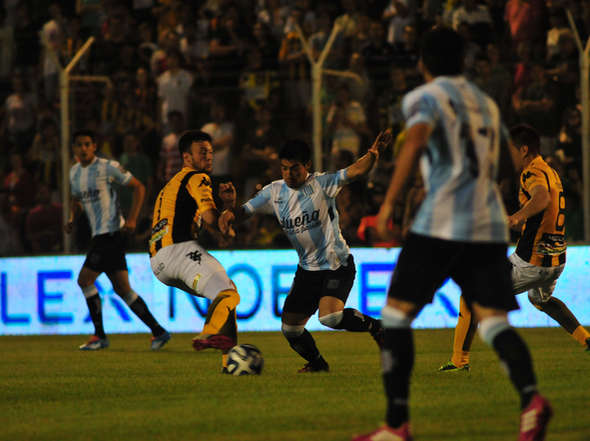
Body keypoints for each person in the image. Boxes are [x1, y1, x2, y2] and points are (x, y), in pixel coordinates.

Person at [353, 28, 551, 441]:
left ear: (423, 62)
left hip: (442, 220)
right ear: (463, 61)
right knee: (493, 321)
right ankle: (531, 400)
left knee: (395, 317)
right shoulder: (486, 103)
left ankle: (396, 425)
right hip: (488, 223)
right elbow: (503, 164)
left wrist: (388, 205)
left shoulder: (425, 96)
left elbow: (416, 140)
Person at [219, 132, 392, 373]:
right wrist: (228, 210)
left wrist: (373, 153)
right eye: (284, 168)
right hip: (307, 270)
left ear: (307, 166)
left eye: (295, 168)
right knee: (290, 329)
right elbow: (244, 212)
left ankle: (378, 327)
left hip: (337, 264)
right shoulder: (274, 192)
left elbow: (355, 171)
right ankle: (317, 364)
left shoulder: (322, 184)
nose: (289, 174)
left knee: (329, 317)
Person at [440, 124, 590, 373]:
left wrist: (517, 216)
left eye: (510, 149)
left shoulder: (531, 173)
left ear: (523, 150)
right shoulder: (551, 172)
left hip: (532, 261)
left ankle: (459, 361)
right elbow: (543, 214)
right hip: (556, 261)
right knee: (541, 299)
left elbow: (541, 198)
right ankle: (586, 339)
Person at [65, 130, 170, 351]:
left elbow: (139, 187)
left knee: (84, 280)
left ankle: (99, 336)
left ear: (94, 146)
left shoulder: (107, 166)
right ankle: (159, 332)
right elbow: (76, 199)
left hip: (111, 233)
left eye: (87, 144)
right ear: (73, 148)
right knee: (123, 289)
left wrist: (132, 219)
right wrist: (73, 218)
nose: (83, 148)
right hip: (100, 235)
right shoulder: (74, 172)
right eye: (79, 145)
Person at [149, 130, 240, 372]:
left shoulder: (170, 186)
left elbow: (222, 237)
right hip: (179, 251)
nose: (208, 157)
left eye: (210, 152)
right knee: (228, 294)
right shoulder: (197, 177)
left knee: (225, 294)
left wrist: (227, 207)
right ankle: (209, 333)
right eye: (202, 152)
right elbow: (212, 219)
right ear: (186, 157)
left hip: (159, 263)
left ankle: (229, 362)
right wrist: (229, 209)